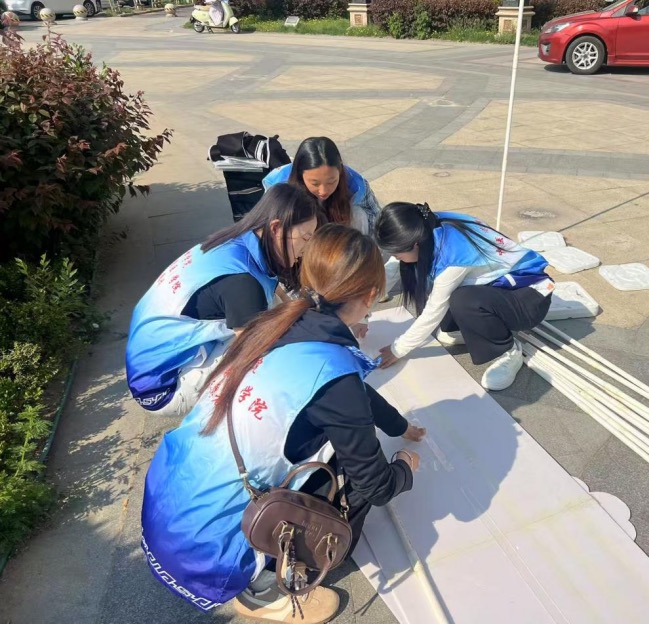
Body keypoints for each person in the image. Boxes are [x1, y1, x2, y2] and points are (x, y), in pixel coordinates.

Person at [140, 224, 424, 622]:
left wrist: (397, 425)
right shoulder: (335, 374)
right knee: (351, 471)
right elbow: (375, 485)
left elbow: (348, 391)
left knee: (331, 439)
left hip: (170, 504)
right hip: (207, 550)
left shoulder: (274, 323)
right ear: (371, 295)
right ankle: (263, 588)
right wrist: (405, 467)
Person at [125, 184, 321, 417]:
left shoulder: (238, 241)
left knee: (275, 316)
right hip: (163, 387)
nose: (306, 249)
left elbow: (274, 288)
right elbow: (258, 355)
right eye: (306, 238)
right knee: (278, 354)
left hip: (150, 360)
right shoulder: (243, 284)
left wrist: (297, 304)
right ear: (276, 228)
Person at [375, 202, 554, 392]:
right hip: (497, 288)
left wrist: (397, 349)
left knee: (463, 301)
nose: (394, 256)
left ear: (415, 244)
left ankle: (508, 351)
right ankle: (479, 331)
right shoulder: (423, 226)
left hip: (528, 297)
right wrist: (360, 313)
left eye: (396, 252)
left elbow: (434, 310)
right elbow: (390, 272)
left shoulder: (454, 254)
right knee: (447, 328)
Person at [263, 136, 400, 305]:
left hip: (337, 245)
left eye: (331, 182)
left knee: (359, 215)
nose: (323, 191)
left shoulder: (355, 185)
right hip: (299, 254)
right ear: (300, 175)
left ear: (340, 172)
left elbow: (377, 223)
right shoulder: (280, 188)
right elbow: (272, 240)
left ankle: (350, 279)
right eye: (314, 183)